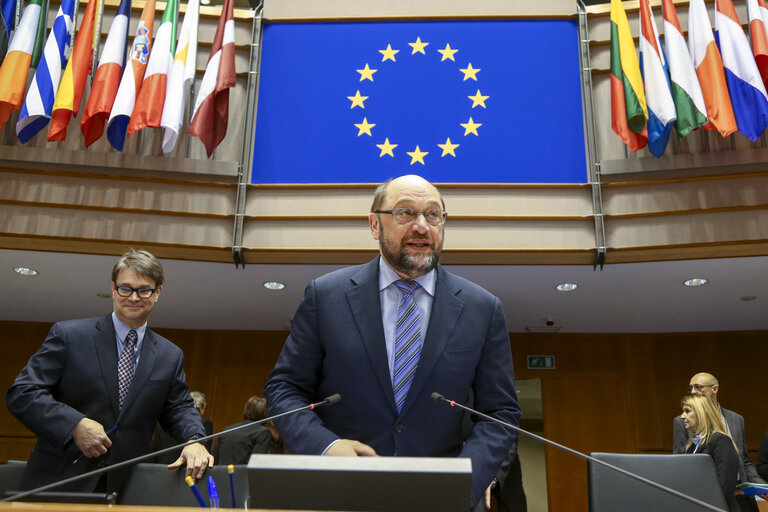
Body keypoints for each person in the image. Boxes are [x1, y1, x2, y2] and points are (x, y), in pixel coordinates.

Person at [264, 174, 521, 510]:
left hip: (438, 500)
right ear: (375, 225)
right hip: (339, 493)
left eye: (433, 215)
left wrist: (463, 480)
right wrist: (326, 446)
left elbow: (499, 412)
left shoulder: (482, 308)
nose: (422, 226)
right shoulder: (326, 296)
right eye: (405, 213)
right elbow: (285, 388)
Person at [6, 249, 214, 496]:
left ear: (158, 292)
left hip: (126, 487)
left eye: (143, 290)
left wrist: (195, 440)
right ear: (113, 289)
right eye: (125, 288)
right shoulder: (69, 336)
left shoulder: (170, 355)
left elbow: (179, 408)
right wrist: (74, 424)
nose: (133, 298)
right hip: (61, 480)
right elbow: (23, 392)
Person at [673, 373, 766, 488]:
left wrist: (762, 486)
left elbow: (744, 461)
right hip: (708, 490)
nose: (692, 391)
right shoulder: (682, 422)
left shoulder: (736, 419)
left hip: (738, 490)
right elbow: (680, 463)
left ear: (714, 389)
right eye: (691, 388)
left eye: (698, 387)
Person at [680, 394, 757, 512]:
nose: (682, 416)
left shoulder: (720, 440)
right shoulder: (691, 446)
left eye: (687, 411)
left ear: (702, 413)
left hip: (717, 507)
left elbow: (724, 486)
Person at [212, 396, 282, 465]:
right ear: (265, 414)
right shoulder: (263, 432)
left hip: (220, 475)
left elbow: (213, 460)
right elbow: (257, 464)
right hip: (243, 475)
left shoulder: (228, 429)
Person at [151, 391, 214, 464]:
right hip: (183, 470)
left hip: (158, 468)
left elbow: (153, 451)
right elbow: (204, 452)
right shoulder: (205, 423)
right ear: (202, 408)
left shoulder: (162, 424)